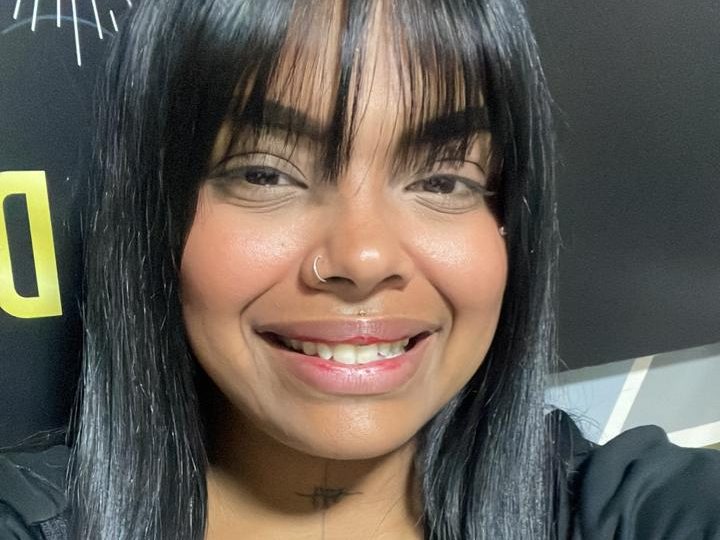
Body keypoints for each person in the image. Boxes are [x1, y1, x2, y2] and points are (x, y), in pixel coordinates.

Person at [1, 0, 719, 539]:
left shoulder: (621, 507)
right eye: (264, 173)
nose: (364, 258)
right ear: (153, 213)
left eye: (443, 179)